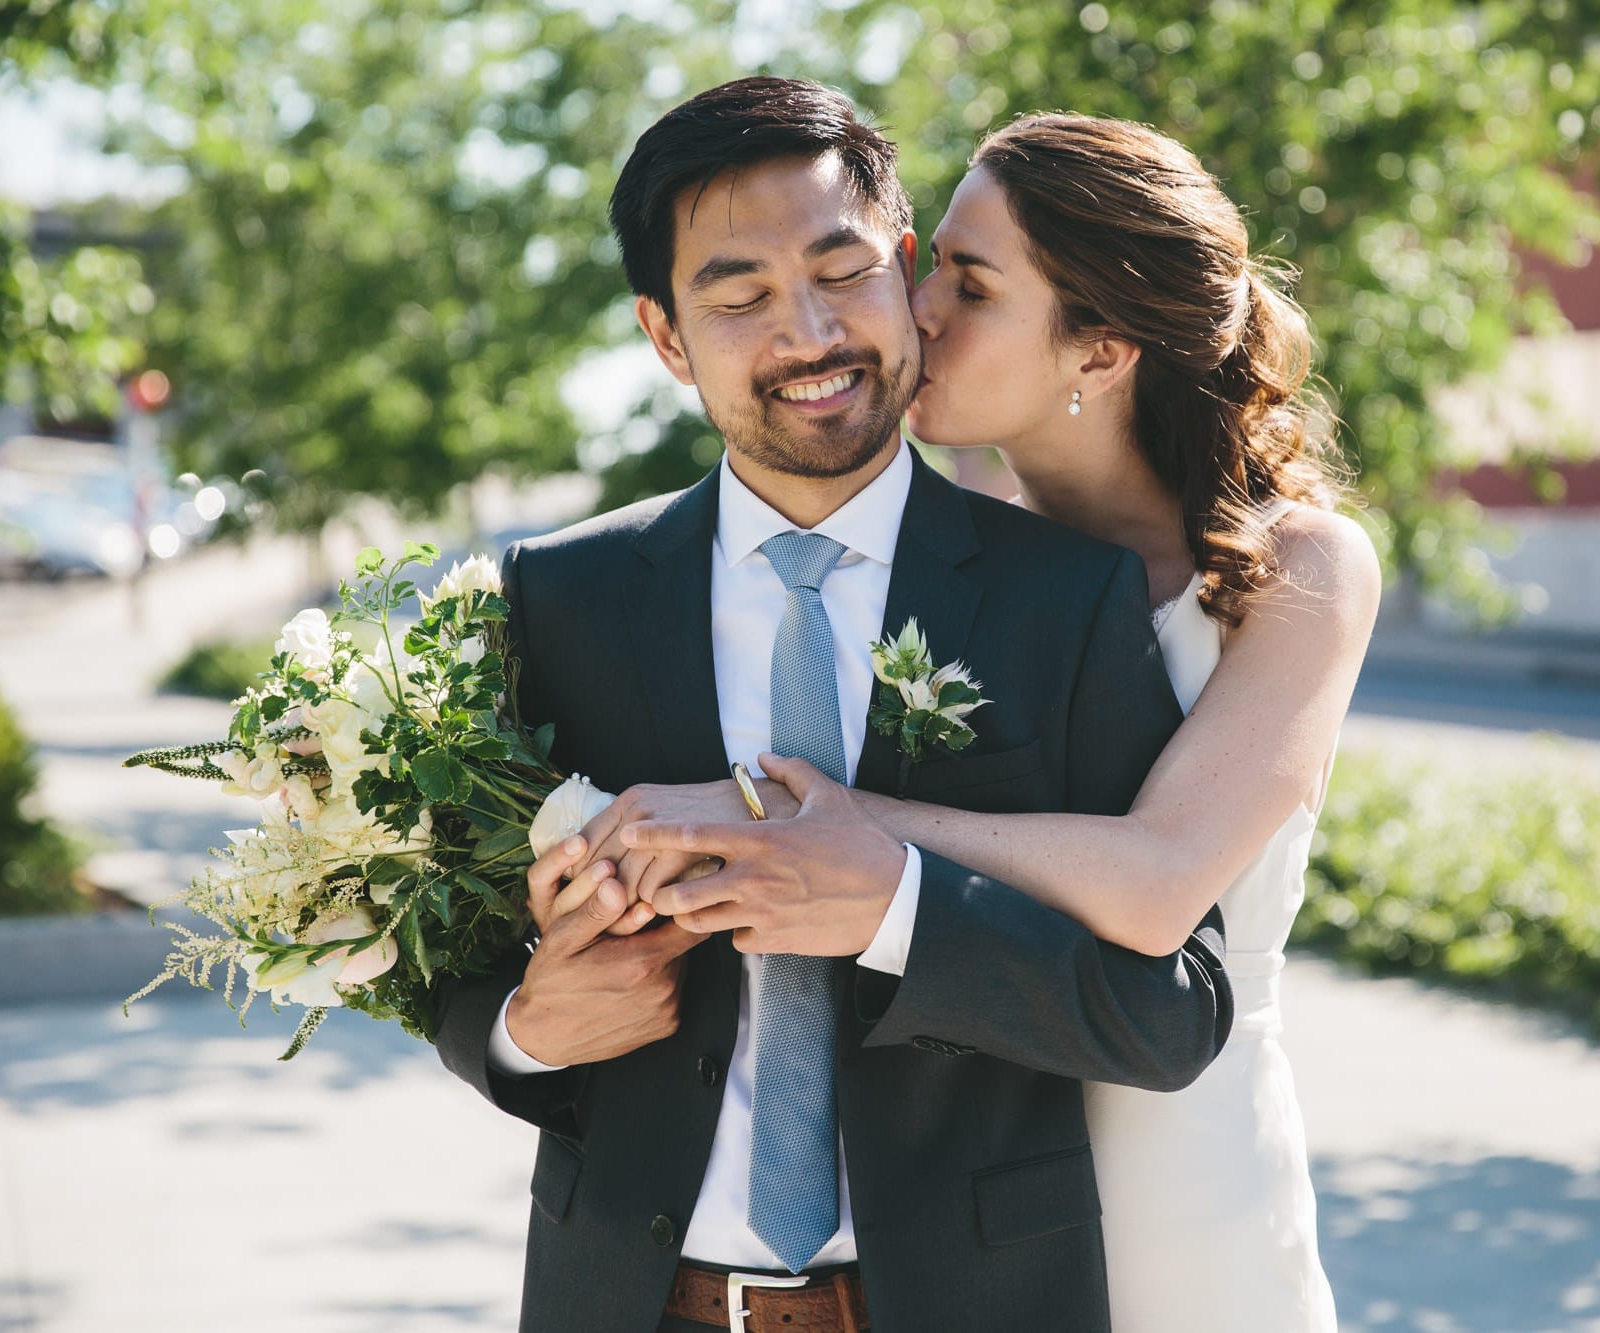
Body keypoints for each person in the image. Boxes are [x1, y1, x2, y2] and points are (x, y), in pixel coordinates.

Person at [431, 80, 1233, 1333]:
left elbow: (1174, 1008)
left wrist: (899, 905)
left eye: (840, 271)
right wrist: (526, 1030)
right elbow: (464, 960)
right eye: (737, 296)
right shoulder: (560, 597)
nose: (805, 335)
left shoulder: (1066, 600)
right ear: (663, 335)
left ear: (907, 271)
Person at [597, 113, 1379, 1332]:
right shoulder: (959, 554)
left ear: (1100, 345)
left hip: (1177, 1165)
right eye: (927, 265)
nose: (915, 312)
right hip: (963, 1175)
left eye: (970, 282)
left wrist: (835, 831)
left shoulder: (1301, 569)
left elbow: (1162, 877)